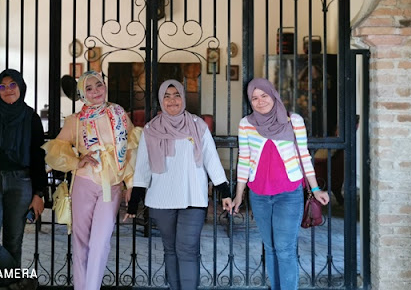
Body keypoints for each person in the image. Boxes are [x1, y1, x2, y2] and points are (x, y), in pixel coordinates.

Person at [125, 79, 233, 290]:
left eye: (176, 95)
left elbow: (212, 159)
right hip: (162, 199)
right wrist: (134, 201)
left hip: (193, 197)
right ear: (160, 100)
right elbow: (143, 167)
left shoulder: (197, 125)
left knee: (188, 248)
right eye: (167, 96)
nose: (172, 100)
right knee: (171, 249)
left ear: (183, 98)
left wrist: (225, 191)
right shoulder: (151, 129)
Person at [43, 70, 140, 290]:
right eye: (89, 88)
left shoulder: (118, 113)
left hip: (112, 184)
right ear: (81, 94)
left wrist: (130, 182)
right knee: (81, 242)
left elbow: (131, 149)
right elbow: (57, 149)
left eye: (99, 85)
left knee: (100, 242)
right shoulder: (75, 121)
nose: (96, 91)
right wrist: (78, 161)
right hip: (83, 183)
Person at [230, 78, 330, 290]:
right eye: (254, 98)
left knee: (284, 248)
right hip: (259, 194)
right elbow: (244, 159)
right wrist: (239, 194)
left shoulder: (294, 121)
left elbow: (304, 156)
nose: (260, 101)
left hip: (289, 193)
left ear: (273, 95)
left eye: (264, 96)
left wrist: (315, 188)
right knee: (271, 247)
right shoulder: (246, 124)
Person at [0, 69, 46, 290]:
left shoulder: (30, 117)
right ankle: (21, 280)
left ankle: (9, 286)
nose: (8, 90)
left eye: (12, 85)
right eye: (2, 87)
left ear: (21, 87)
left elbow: (37, 156)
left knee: (13, 242)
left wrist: (39, 193)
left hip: (21, 182)